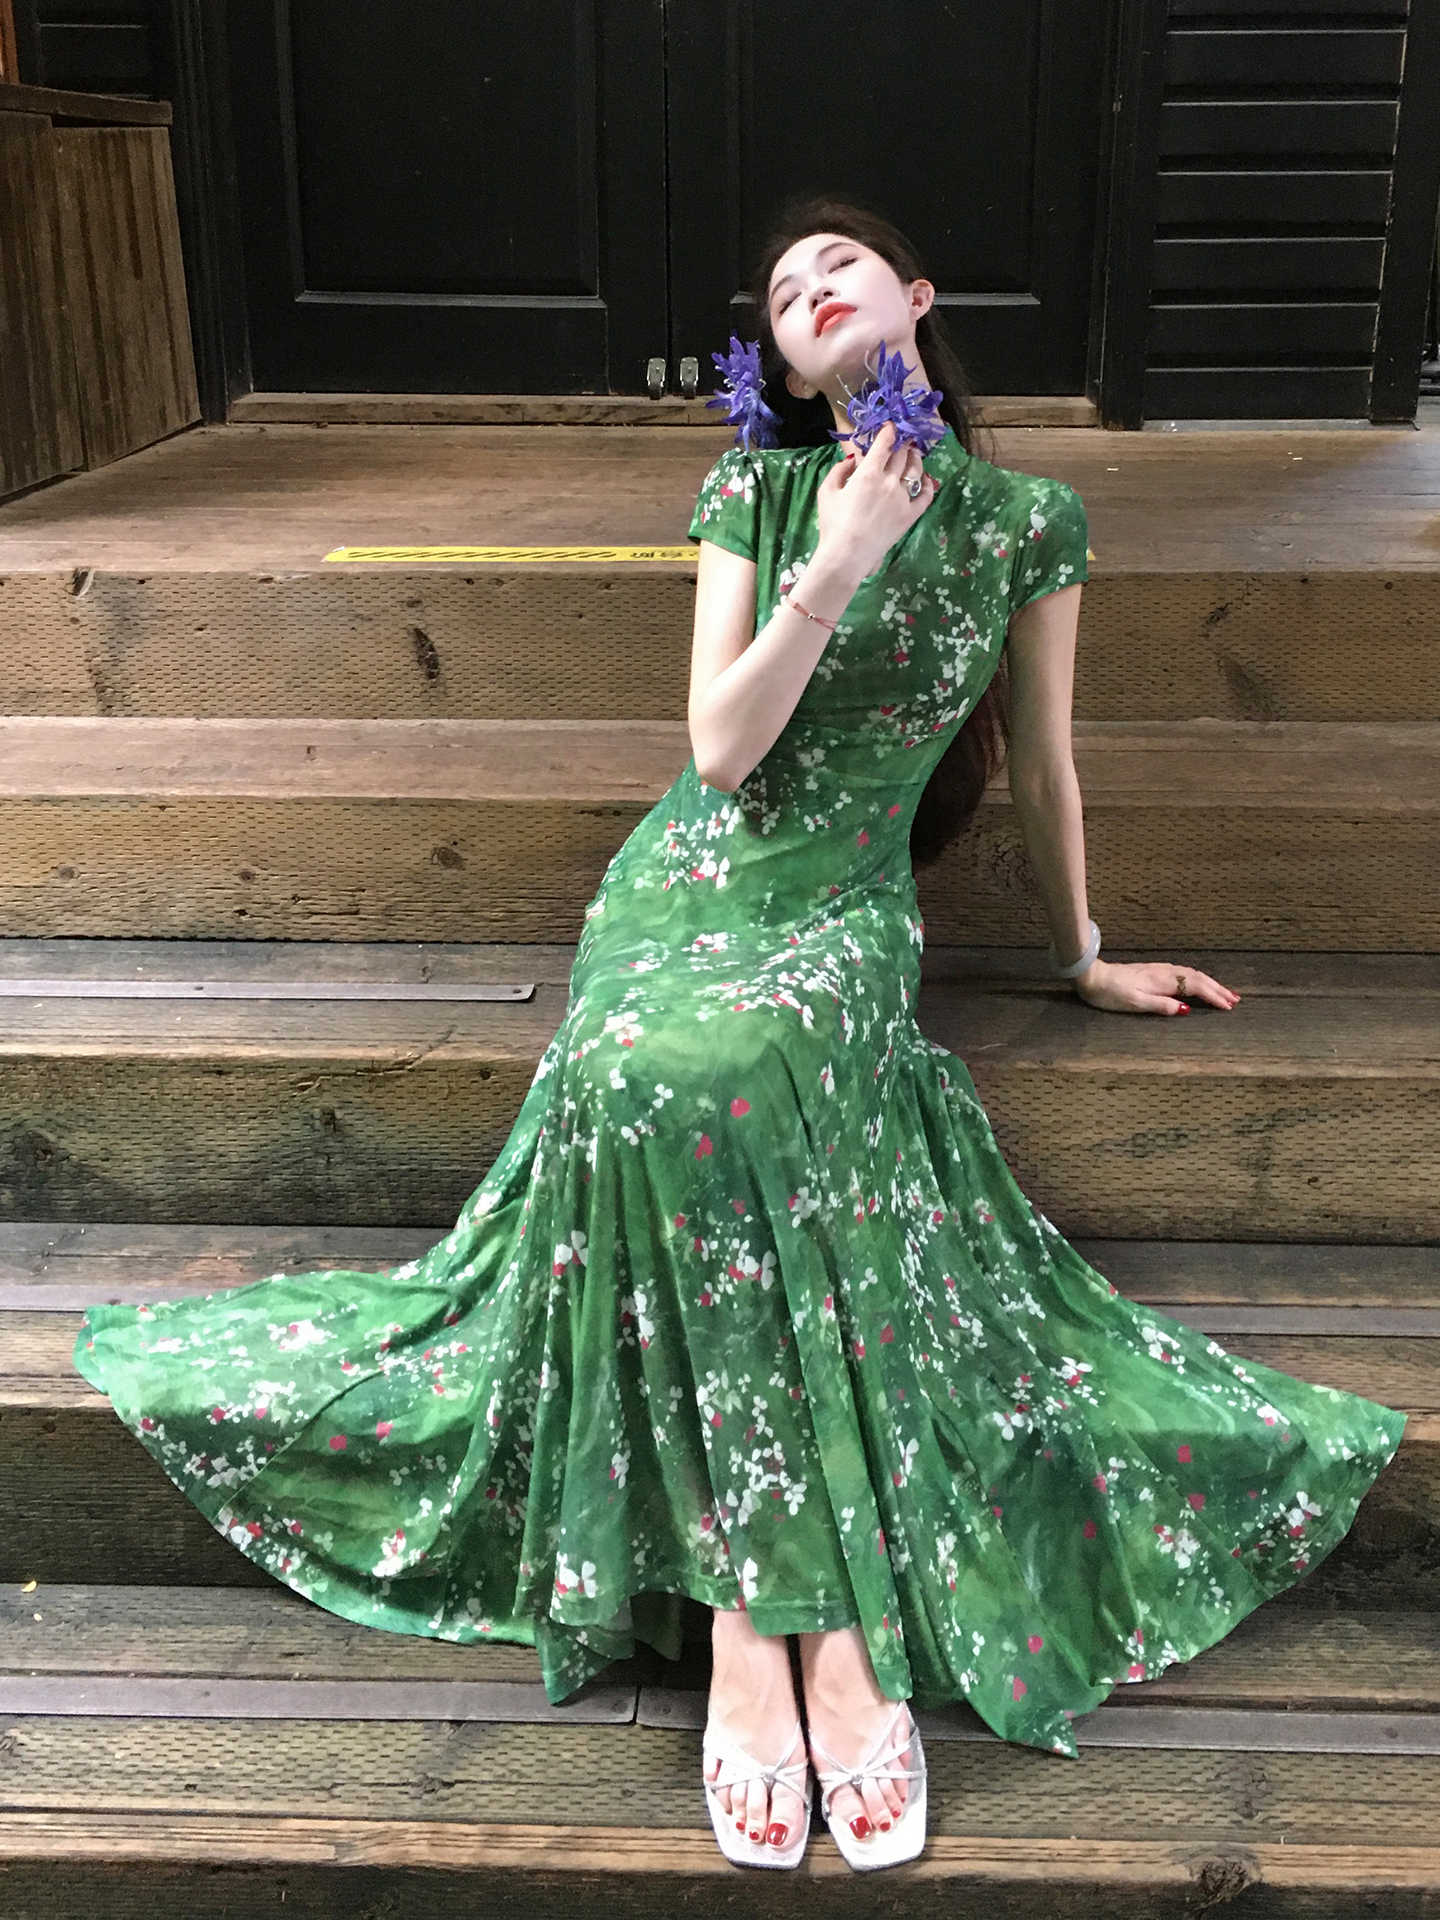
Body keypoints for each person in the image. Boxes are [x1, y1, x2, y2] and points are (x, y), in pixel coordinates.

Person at [72, 194, 1409, 1876]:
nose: (812, 289)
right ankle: (775, 1625)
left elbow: (1050, 761)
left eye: (841, 266)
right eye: (784, 293)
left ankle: (790, 1625)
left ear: (917, 297)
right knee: (650, 1067)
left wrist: (1080, 958)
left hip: (842, 904)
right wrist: (831, 566)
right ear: (776, 366)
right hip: (693, 881)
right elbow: (718, 751)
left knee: (749, 1072)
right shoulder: (755, 498)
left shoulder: (1027, 523)